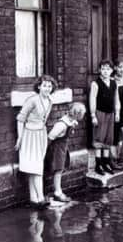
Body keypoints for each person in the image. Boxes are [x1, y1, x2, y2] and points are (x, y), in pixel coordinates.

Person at [15, 75, 57, 207]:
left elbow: (44, 120)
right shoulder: (32, 100)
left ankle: (34, 199)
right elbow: (21, 119)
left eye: (49, 86)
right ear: (39, 86)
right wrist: (20, 138)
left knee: (35, 166)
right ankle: (40, 197)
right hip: (29, 135)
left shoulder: (49, 101)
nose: (47, 88)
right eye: (44, 85)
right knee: (35, 167)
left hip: (41, 135)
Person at [45, 102, 86, 202]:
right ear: (76, 114)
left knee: (60, 169)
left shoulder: (70, 121)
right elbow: (50, 137)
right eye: (80, 115)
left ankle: (56, 191)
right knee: (58, 170)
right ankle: (57, 192)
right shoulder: (61, 125)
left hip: (62, 149)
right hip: (57, 149)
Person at [89, 60, 121, 175]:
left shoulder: (114, 83)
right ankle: (98, 164)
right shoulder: (95, 83)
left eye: (108, 69)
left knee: (108, 138)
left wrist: (117, 112)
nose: (105, 71)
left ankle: (106, 162)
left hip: (110, 113)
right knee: (99, 138)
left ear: (112, 70)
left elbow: (116, 99)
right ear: (99, 70)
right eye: (103, 69)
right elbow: (92, 99)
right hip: (99, 113)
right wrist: (93, 115)